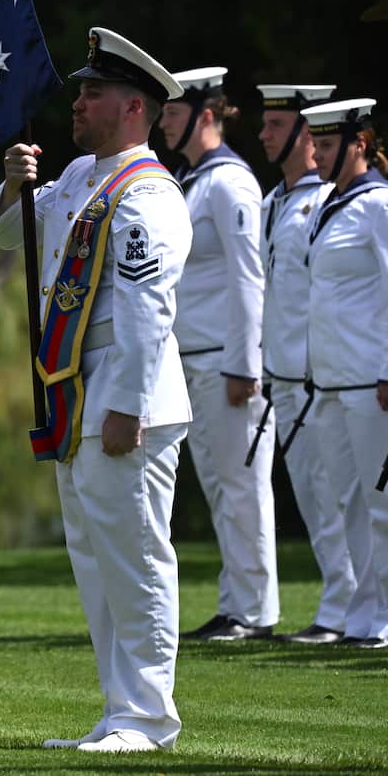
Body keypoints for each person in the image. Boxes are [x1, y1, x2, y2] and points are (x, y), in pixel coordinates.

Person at [0, 28, 192, 753]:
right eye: (80, 90)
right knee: (96, 559)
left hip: (122, 394)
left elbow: (148, 309)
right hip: (75, 388)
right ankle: (118, 708)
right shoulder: (77, 176)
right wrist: (14, 184)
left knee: (134, 556)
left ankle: (147, 717)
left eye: (92, 91)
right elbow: (13, 237)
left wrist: (128, 405)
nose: (78, 102)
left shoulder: (150, 193)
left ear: (134, 106)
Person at [160, 67, 278, 642]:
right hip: (193, 357)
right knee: (220, 486)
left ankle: (252, 609)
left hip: (223, 360)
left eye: (174, 113)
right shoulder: (194, 181)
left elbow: (248, 279)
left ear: (207, 115)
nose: (163, 123)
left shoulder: (230, 183)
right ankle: (239, 603)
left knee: (242, 485)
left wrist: (245, 364)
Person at [256, 84, 354, 644]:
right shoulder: (277, 201)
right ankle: (340, 604)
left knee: (340, 494)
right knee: (316, 497)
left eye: (276, 124)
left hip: (321, 373)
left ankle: (349, 610)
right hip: (286, 373)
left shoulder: (325, 201)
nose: (264, 134)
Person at [303, 98, 388, 650]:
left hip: (371, 381)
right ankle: (365, 614)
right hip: (332, 380)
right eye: (315, 144)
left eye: (328, 145)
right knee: (350, 504)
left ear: (359, 144)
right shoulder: (326, 204)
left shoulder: (378, 204)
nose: (316, 155)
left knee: (382, 505)